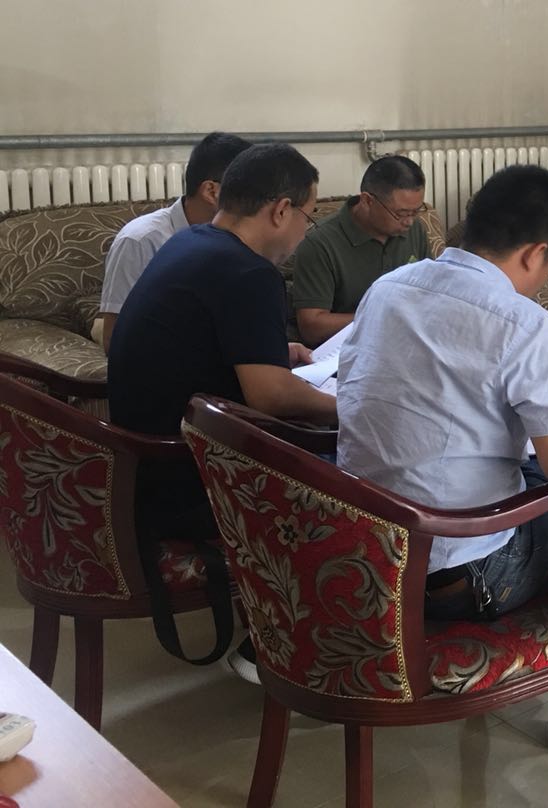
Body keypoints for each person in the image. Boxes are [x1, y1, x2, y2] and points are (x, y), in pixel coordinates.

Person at [336, 165, 548, 753]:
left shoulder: (389, 287)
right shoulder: (524, 324)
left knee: (530, 472)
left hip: (362, 551)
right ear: (536, 254)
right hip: (457, 577)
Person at [107, 142, 340, 683]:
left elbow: (200, 341)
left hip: (141, 469)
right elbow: (271, 398)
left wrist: (269, 350)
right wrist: (348, 406)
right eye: (308, 217)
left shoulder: (192, 242)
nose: (305, 232)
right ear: (280, 210)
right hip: (191, 481)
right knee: (359, 491)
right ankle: (285, 649)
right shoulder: (248, 272)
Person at [99, 131, 252, 352]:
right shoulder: (141, 241)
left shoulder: (242, 238)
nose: (260, 204)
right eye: (252, 192)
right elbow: (115, 339)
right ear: (212, 191)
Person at [291, 154, 430, 346]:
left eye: (416, 211)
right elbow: (312, 327)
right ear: (367, 201)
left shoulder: (415, 230)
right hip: (347, 349)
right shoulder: (319, 244)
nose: (409, 222)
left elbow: (428, 293)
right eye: (401, 213)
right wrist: (383, 316)